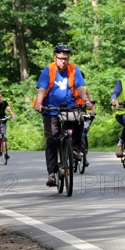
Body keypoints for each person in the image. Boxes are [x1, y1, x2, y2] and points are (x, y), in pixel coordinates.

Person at [34, 44, 93, 187]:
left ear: (69, 58)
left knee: (79, 120)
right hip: (50, 108)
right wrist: (39, 103)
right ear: (55, 57)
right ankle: (52, 174)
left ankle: (75, 149)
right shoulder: (48, 69)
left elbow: (79, 87)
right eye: (60, 58)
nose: (63, 61)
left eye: (65, 58)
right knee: (52, 139)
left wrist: (86, 101)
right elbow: (42, 88)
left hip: (69, 106)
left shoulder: (74, 69)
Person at [80, 71, 97, 168]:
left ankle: (85, 157)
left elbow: (91, 100)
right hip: (73, 112)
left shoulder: (86, 88)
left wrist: (93, 112)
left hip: (84, 114)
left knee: (83, 134)